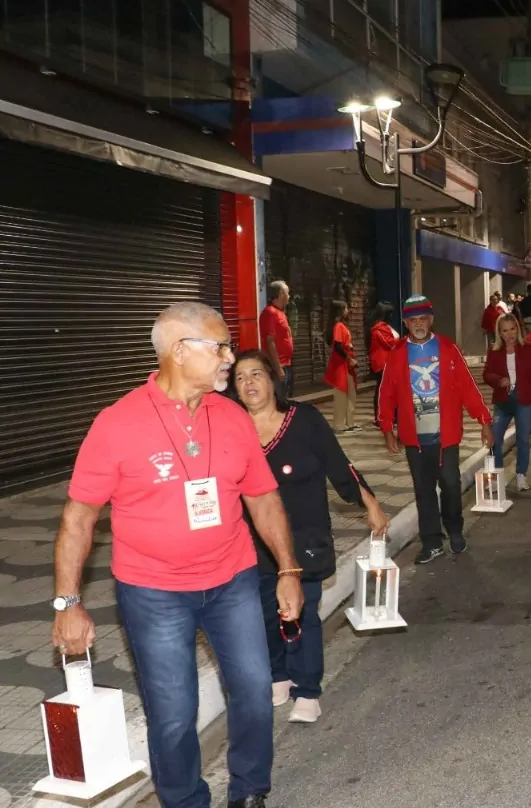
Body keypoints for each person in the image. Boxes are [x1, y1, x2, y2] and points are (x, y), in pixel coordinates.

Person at [53, 301, 301, 808]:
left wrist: (289, 570)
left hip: (232, 580)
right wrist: (66, 603)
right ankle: (186, 801)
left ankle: (250, 789)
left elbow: (263, 497)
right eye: (220, 347)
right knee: (172, 713)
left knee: (255, 692)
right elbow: (79, 519)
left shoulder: (231, 417)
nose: (230, 357)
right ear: (180, 351)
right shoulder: (117, 423)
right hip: (153, 592)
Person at [231, 350, 390, 724]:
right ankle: (278, 674)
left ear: (273, 380)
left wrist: (368, 501)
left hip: (304, 538)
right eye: (240, 377)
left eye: (257, 374)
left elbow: (338, 463)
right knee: (262, 616)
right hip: (251, 542)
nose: (249, 383)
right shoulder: (231, 428)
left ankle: (307, 688)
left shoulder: (304, 420)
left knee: (301, 614)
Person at [378, 295, 494, 564]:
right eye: (412, 320)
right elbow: (386, 395)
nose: (418, 324)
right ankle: (431, 542)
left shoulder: (447, 348)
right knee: (423, 490)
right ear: (406, 323)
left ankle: (454, 530)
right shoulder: (396, 354)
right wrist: (387, 427)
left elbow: (467, 387)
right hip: (415, 438)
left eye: (423, 319)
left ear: (431, 320)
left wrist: (484, 420)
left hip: (446, 435)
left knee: (451, 485)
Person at [483, 314, 531, 491]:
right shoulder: (494, 351)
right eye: (505, 330)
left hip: (524, 400)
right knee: (495, 439)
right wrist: (499, 380)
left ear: (518, 328)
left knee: (523, 438)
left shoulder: (528, 349)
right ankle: (497, 478)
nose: (510, 334)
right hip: (503, 401)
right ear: (499, 332)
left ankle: (521, 474)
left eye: (512, 329)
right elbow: (486, 374)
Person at [323, 300, 359, 432]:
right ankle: (339, 424)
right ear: (340, 311)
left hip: (345, 365)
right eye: (345, 308)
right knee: (341, 395)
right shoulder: (338, 326)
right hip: (341, 365)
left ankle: (350, 423)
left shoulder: (341, 325)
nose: (347, 311)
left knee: (351, 394)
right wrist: (349, 359)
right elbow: (337, 345)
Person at [258, 280, 294, 396]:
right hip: (278, 367)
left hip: (285, 364)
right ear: (281, 294)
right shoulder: (270, 313)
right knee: (279, 400)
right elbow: (270, 342)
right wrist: (278, 368)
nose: (289, 296)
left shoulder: (280, 313)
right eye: (287, 293)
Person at [367, 301, 398, 426]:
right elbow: (389, 342)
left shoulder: (383, 327)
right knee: (382, 391)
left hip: (386, 363)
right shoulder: (379, 328)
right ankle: (381, 417)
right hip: (382, 363)